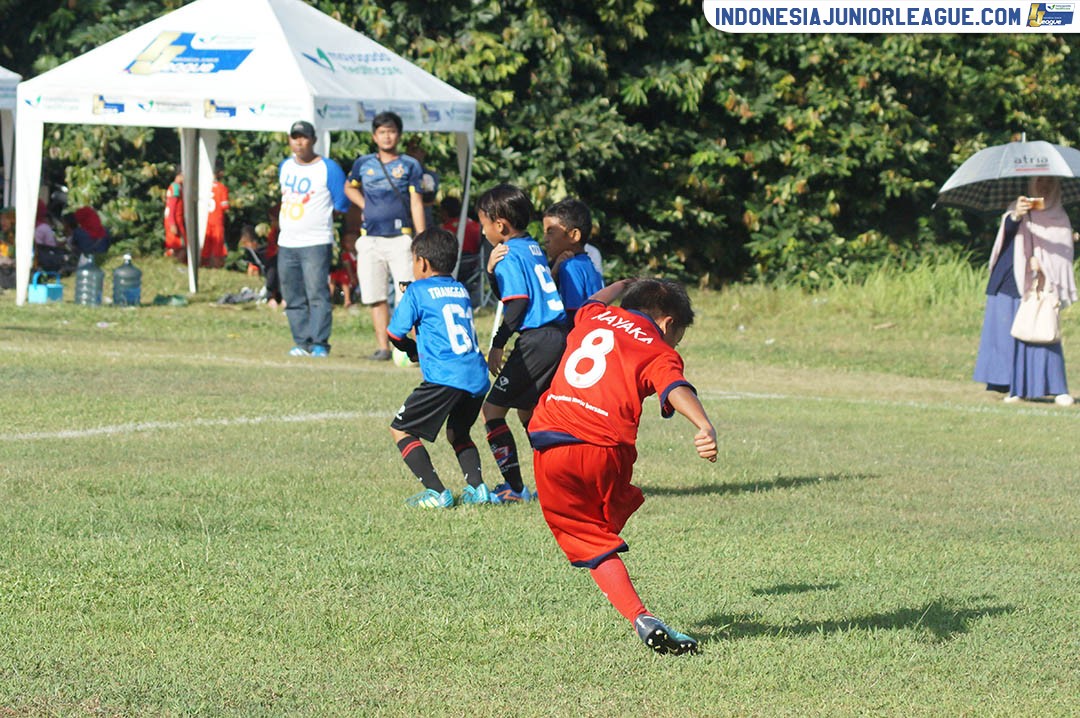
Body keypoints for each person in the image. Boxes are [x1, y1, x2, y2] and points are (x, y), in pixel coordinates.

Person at [528, 277, 717, 655]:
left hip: (550, 443)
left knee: (590, 538)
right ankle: (639, 612)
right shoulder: (655, 347)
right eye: (677, 336)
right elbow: (675, 387)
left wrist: (621, 284)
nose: (674, 344)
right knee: (603, 522)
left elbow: (591, 301)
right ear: (667, 324)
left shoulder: (593, 317)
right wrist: (703, 424)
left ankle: (638, 613)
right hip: (603, 450)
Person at [387, 228, 492, 508]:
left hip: (447, 377)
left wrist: (412, 352)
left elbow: (395, 334)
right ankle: (478, 488)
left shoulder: (417, 290)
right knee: (459, 432)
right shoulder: (460, 289)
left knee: (401, 429)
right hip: (477, 376)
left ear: (421, 262)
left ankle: (437, 493)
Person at [477, 183, 567, 503]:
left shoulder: (508, 255)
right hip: (556, 335)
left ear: (499, 225)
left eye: (483, 224)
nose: (483, 230)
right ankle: (559, 482)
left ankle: (515, 489)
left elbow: (515, 304)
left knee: (491, 412)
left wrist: (498, 344)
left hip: (536, 340)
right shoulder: (531, 247)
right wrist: (490, 272)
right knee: (529, 414)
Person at [973, 177, 1077, 405]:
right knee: (1010, 339)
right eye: (1038, 182)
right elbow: (1006, 235)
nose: (1044, 186)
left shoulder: (1060, 218)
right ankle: (1014, 388)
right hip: (1009, 282)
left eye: (1049, 183)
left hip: (1041, 288)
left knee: (1044, 334)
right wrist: (1017, 215)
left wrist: (1044, 267)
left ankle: (1055, 388)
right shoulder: (1017, 207)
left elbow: (1063, 256)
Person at [344, 111, 427, 361]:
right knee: (374, 294)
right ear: (374, 136)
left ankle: (413, 349)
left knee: (408, 295)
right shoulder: (363, 163)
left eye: (391, 131)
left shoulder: (410, 165)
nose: (387, 136)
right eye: (382, 132)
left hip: (400, 238)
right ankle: (383, 347)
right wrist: (364, 206)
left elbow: (416, 203)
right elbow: (349, 187)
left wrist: (422, 239)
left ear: (399, 135)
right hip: (370, 238)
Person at [277, 120, 350, 357]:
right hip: (287, 241)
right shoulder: (285, 166)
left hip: (316, 241)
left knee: (317, 293)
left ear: (313, 140)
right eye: (294, 137)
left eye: (304, 137)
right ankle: (301, 342)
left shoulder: (328, 168)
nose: (299, 142)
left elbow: (343, 203)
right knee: (292, 295)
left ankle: (320, 342)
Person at [542, 198, 604, 322]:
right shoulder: (587, 264)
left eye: (550, 232)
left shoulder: (570, 266)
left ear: (574, 236)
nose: (545, 239)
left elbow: (573, 314)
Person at [440, 196, 483, 306]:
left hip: (456, 265)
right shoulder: (475, 225)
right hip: (474, 264)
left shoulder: (444, 229)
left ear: (445, 212)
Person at [201, 160, 230, 269]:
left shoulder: (203, 187)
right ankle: (216, 268)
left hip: (205, 221)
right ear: (219, 173)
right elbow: (225, 207)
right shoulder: (222, 188)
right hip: (216, 221)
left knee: (205, 247)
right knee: (217, 248)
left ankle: (203, 266)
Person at [328, 231, 358, 308]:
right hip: (348, 275)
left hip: (355, 275)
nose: (352, 243)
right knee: (335, 277)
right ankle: (329, 299)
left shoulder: (359, 254)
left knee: (344, 278)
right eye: (348, 242)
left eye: (354, 241)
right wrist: (352, 277)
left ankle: (347, 300)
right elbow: (348, 267)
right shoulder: (345, 255)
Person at [163, 167, 186, 260]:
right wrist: (172, 223)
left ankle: (171, 260)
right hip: (175, 220)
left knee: (178, 246)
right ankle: (169, 260)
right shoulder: (176, 187)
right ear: (180, 175)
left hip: (174, 219)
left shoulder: (175, 186)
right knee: (181, 245)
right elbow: (172, 206)